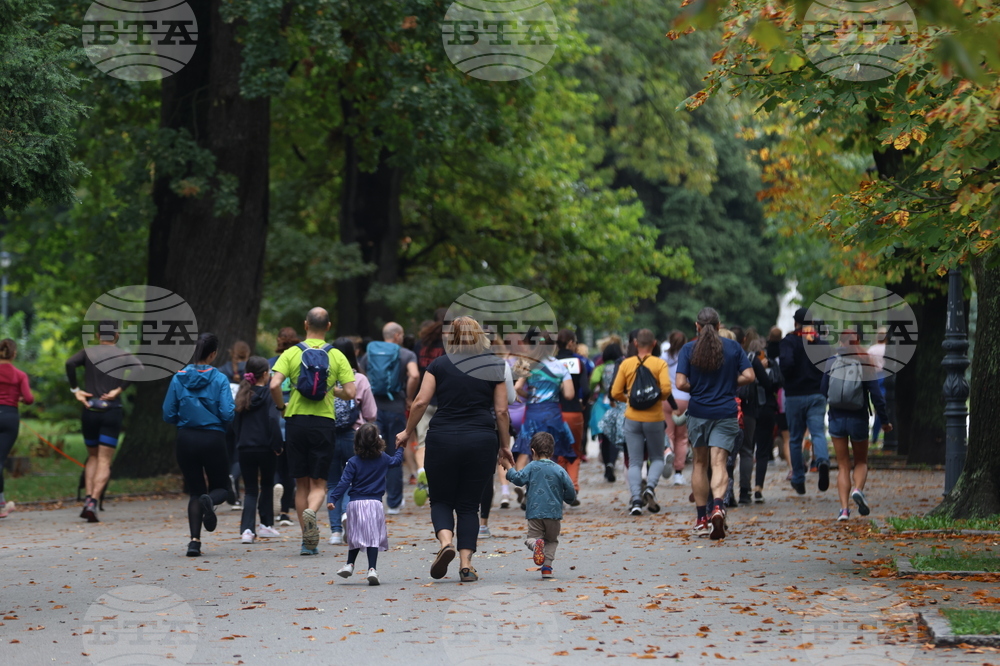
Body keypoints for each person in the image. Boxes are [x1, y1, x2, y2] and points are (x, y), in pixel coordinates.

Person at [395, 316, 512, 582]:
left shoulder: (439, 364)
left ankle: (445, 543)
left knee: (441, 499)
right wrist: (504, 445)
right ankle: (466, 564)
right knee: (469, 505)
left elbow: (421, 402)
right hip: (481, 439)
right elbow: (502, 411)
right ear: (480, 335)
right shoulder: (495, 365)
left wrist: (407, 431)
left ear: (452, 337)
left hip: (442, 438)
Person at [269, 308, 356, 556]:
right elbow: (351, 392)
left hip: (295, 421)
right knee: (320, 483)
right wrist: (331, 390)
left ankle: (307, 542)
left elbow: (274, 384)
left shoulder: (292, 352)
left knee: (301, 483)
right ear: (328, 326)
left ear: (305, 324)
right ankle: (313, 512)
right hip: (323, 423)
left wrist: (281, 407)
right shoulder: (336, 355)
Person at [675, 308, 754, 540]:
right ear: (719, 326)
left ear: (696, 326)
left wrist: (699, 387)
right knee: (719, 462)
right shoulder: (733, 348)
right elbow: (749, 376)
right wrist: (729, 383)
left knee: (700, 463)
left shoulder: (689, 349)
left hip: (699, 412)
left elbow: (680, 383)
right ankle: (718, 507)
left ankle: (701, 519)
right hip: (725, 412)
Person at [162, 333, 236, 557]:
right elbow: (227, 413)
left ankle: (194, 542)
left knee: (195, 491)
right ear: (213, 354)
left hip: (186, 439)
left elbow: (168, 413)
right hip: (213, 438)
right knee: (221, 488)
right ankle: (210, 501)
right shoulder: (220, 379)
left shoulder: (179, 377)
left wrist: (184, 421)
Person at [66, 319, 143, 523]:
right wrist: (119, 389)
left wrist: (76, 391)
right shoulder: (123, 354)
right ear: (116, 335)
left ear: (98, 335)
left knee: (92, 457)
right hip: (111, 411)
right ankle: (93, 501)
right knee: (104, 460)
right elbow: (139, 367)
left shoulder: (88, 352)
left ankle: (87, 501)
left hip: (90, 410)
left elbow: (69, 363)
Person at [821, 331, 892, 520]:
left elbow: (823, 389)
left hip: (836, 417)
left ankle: (844, 510)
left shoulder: (831, 361)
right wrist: (884, 421)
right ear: (858, 341)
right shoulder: (865, 361)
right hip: (858, 418)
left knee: (843, 465)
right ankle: (858, 489)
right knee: (861, 461)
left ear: (841, 342)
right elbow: (877, 395)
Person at [330, 423, 404, 585]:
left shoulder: (353, 462)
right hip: (374, 504)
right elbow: (396, 462)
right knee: (372, 538)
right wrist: (400, 447)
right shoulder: (383, 458)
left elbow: (343, 483)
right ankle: (372, 569)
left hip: (355, 504)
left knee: (355, 536)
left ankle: (349, 564)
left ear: (356, 442)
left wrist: (333, 499)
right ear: (378, 440)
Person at [610, 329, 673, 516]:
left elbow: (614, 392)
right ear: (654, 344)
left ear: (635, 344)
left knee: (635, 461)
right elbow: (667, 389)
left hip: (632, 417)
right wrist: (654, 398)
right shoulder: (659, 363)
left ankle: (636, 499)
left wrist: (630, 400)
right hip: (654, 418)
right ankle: (650, 488)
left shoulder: (627, 364)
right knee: (657, 457)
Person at [359, 322, 419, 515]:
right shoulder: (406, 354)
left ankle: (371, 497)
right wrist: (409, 397)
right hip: (396, 408)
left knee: (372, 452)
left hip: (374, 409)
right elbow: (415, 375)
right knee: (394, 452)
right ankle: (393, 503)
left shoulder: (369, 354)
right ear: (397, 336)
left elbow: (361, 375)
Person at [512, 337, 576, 509]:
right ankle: (552, 494)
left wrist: (530, 397)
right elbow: (570, 394)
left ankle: (526, 488)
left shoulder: (529, 364)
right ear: (553, 346)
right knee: (551, 454)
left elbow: (517, 387)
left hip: (533, 413)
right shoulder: (560, 366)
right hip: (553, 414)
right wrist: (558, 389)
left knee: (528, 450)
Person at [503, 432, 576, 579]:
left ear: (533, 451)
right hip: (554, 513)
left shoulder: (532, 467)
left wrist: (509, 468)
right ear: (552, 451)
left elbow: (518, 479)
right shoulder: (559, 469)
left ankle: (535, 544)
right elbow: (570, 490)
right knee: (551, 540)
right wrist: (568, 499)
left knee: (533, 537)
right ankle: (547, 568)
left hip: (535, 512)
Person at [327, 337, 377, 545]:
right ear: (353, 354)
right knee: (353, 480)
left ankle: (335, 532)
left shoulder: (326, 379)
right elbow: (371, 413)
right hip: (354, 436)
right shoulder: (360, 379)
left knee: (332, 482)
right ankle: (348, 515)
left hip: (327, 435)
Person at [779, 307, 832, 495]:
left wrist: (789, 378)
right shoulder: (821, 342)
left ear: (796, 322)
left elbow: (786, 365)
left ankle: (798, 478)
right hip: (817, 394)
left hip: (795, 395)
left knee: (795, 438)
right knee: (818, 432)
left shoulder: (789, 341)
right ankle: (823, 461)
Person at [233, 356, 284, 544]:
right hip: (265, 448)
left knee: (250, 489)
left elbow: (235, 421)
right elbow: (273, 420)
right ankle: (266, 525)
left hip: (245, 447)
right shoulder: (269, 395)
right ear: (265, 374)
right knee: (267, 485)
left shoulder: (242, 393)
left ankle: (247, 530)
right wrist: (277, 444)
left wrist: (240, 441)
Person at [413, 309, 447, 506]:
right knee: (443, 443)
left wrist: (411, 398)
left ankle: (422, 473)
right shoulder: (450, 346)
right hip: (444, 399)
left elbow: (416, 373)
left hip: (423, 398)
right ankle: (440, 481)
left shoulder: (421, 344)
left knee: (423, 442)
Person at [268, 327, 299, 527]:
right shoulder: (299, 361)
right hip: (293, 417)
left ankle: (273, 499)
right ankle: (285, 513)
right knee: (291, 469)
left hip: (273, 420)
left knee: (275, 467)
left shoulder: (270, 364)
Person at [735, 336, 772, 504]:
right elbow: (767, 382)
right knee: (747, 450)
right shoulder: (750, 359)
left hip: (725, 407)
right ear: (743, 340)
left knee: (724, 452)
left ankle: (724, 492)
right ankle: (744, 491)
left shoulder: (719, 357)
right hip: (748, 408)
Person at [0, 339, 33, 518]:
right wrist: (17, 399)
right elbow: (28, 398)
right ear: (14, 354)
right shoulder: (19, 375)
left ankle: (2, 504)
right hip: (9, 418)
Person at [554, 329, 586, 494]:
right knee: (574, 451)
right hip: (574, 412)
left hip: (555, 412)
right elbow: (586, 390)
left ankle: (559, 488)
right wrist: (584, 403)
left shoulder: (551, 362)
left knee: (558, 452)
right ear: (571, 343)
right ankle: (573, 486)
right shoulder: (579, 362)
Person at [751, 338, 783, 503]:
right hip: (767, 408)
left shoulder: (744, 363)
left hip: (749, 409)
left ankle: (743, 489)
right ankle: (758, 488)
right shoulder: (770, 365)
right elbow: (777, 383)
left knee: (746, 450)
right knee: (762, 451)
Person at [590, 342, 623, 482]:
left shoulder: (600, 368)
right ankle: (612, 463)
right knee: (615, 435)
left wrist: (593, 390)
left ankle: (606, 466)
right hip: (618, 403)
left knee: (603, 436)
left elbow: (593, 380)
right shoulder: (622, 366)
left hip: (602, 403)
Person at [663, 331, 690, 486]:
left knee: (669, 434)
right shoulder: (688, 356)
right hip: (685, 399)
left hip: (667, 399)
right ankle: (678, 473)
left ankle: (667, 452)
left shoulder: (664, 357)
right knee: (682, 437)